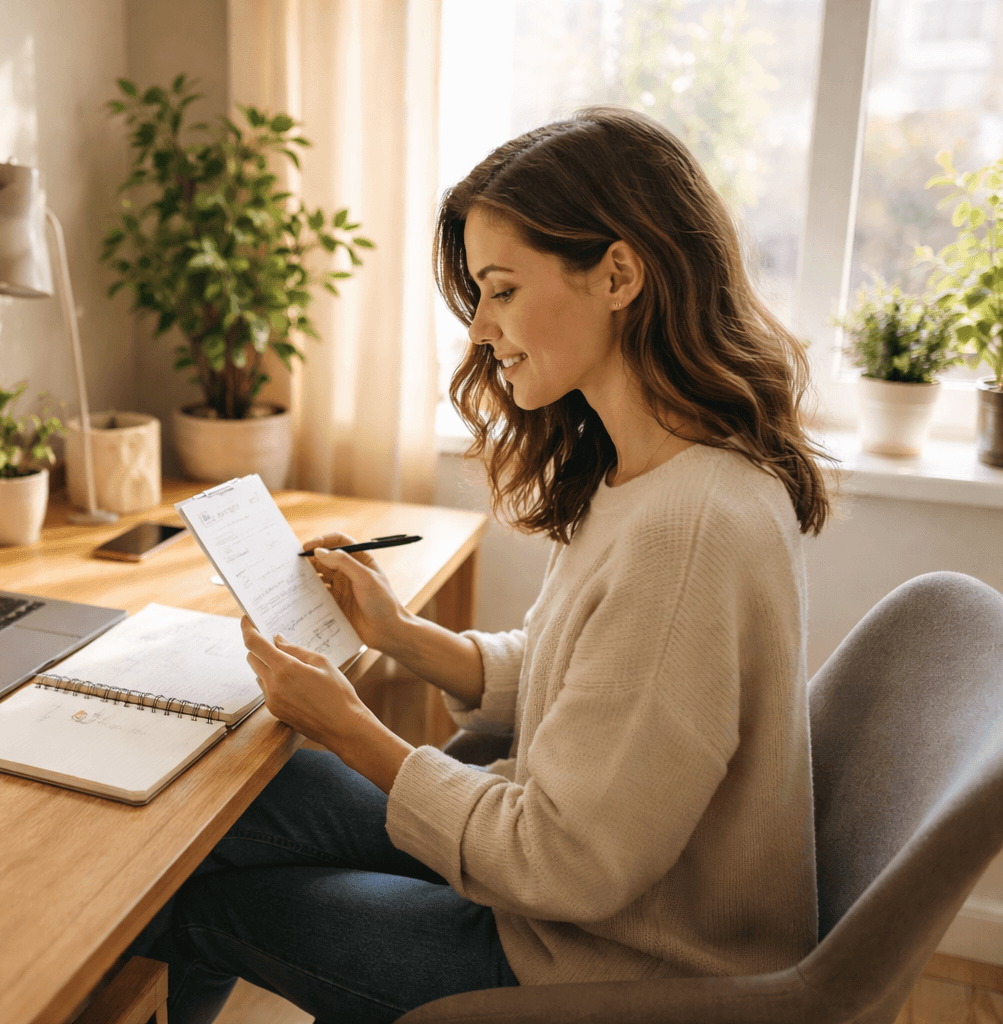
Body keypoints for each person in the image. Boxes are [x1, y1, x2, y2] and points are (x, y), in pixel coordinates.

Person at [126, 105, 830, 1024]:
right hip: (574, 903)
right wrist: (400, 635)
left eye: (500, 289)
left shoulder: (686, 533)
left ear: (619, 273)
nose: (482, 331)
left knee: (206, 892)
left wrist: (352, 729)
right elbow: (567, 678)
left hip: (609, 970)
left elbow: (562, 860)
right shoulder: (658, 474)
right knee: (235, 802)